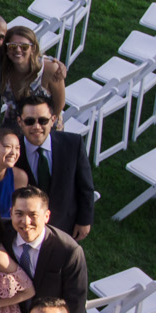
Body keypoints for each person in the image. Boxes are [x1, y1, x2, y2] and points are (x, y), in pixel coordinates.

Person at [15, 94, 94, 238]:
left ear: (53, 120)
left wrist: (84, 220)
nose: (36, 127)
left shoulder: (73, 144)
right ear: (20, 122)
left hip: (65, 226)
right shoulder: (12, 152)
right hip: (25, 229)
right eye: (30, 121)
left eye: (43, 121)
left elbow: (85, 186)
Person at [10, 188, 89, 313]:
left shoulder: (68, 251)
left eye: (33, 215)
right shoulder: (2, 236)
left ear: (46, 216)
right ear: (11, 213)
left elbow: (75, 302)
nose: (25, 221)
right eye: (19, 214)